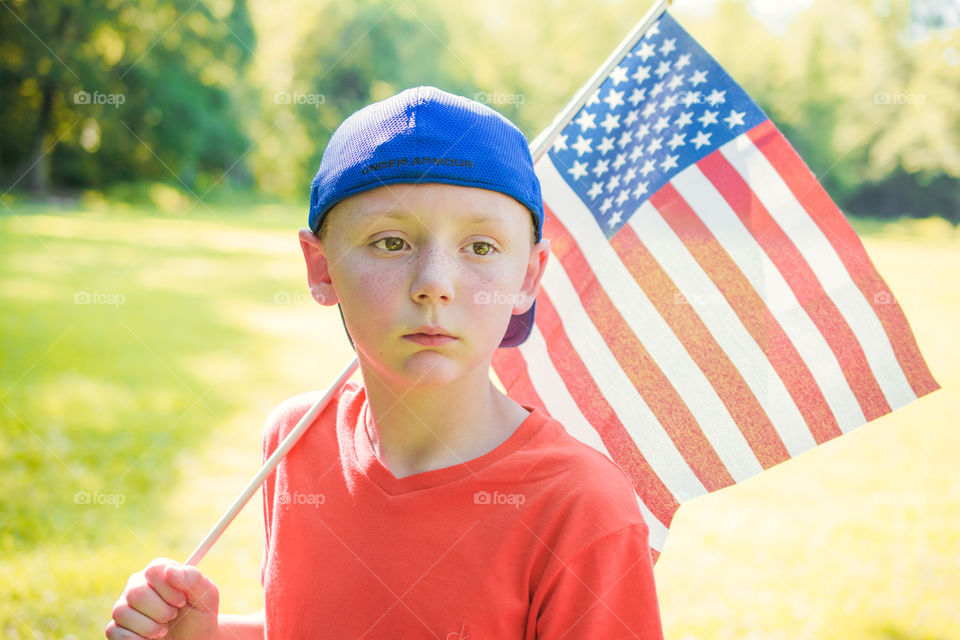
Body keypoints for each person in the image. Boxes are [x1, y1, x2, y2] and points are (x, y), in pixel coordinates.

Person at [106, 86, 664, 640]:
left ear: (528, 278)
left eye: (481, 247)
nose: (433, 285)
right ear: (322, 268)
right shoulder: (295, 442)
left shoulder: (580, 507)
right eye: (391, 242)